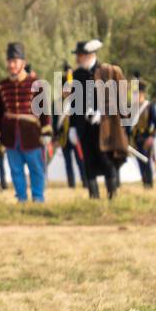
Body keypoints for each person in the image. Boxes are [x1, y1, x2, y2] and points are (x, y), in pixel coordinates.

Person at [62, 39, 129, 199]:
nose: (77, 59)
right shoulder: (77, 75)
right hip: (84, 127)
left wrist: (101, 113)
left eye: (80, 55)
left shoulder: (106, 72)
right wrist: (72, 126)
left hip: (104, 128)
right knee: (89, 163)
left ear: (89, 55)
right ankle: (94, 198)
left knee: (107, 161)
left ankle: (112, 196)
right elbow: (74, 103)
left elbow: (117, 99)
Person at [0, 43, 50, 204]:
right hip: (10, 135)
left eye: (15, 61)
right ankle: (21, 198)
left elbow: (44, 111)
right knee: (15, 169)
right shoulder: (1, 86)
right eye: (10, 61)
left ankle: (38, 197)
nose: (12, 65)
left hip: (31, 134)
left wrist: (46, 131)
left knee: (36, 168)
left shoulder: (37, 84)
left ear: (23, 62)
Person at [129, 74, 156, 188]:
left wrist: (152, 137)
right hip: (136, 138)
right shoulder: (132, 107)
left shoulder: (149, 106)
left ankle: (149, 184)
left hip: (146, 138)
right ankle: (145, 183)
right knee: (140, 163)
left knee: (146, 162)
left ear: (142, 94)